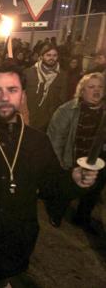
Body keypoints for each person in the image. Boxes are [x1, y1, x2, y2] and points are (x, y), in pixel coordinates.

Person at [0, 62, 97, 287]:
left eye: (12, 90)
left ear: (22, 96)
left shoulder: (38, 142)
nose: (4, 97)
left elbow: (53, 187)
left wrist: (75, 180)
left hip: (15, 251)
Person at [46, 73, 106, 230]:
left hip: (97, 162)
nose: (96, 91)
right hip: (71, 159)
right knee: (66, 191)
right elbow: (56, 139)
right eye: (91, 87)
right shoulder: (67, 110)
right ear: (82, 90)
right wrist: (60, 165)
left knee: (92, 192)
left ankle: (82, 218)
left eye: (100, 87)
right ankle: (56, 213)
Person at [24, 43, 69, 132]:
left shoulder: (62, 76)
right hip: (27, 118)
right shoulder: (28, 73)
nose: (51, 58)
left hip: (47, 123)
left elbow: (63, 100)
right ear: (41, 56)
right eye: (48, 55)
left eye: (54, 55)